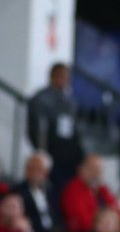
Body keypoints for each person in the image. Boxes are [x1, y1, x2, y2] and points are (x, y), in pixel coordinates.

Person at [27, 63, 85, 192]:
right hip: (51, 152)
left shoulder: (70, 101)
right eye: (61, 76)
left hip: (69, 156)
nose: (64, 81)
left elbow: (74, 128)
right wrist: (42, 152)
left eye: (67, 77)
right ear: (53, 76)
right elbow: (35, 129)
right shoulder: (41, 99)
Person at [62, 155, 120, 232]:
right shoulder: (73, 190)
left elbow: (119, 213)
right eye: (92, 169)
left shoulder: (103, 190)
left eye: (99, 170)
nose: (97, 174)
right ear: (81, 170)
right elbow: (83, 223)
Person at [16, 152, 66, 232]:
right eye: (31, 168)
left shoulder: (52, 191)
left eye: (39, 169)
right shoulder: (18, 192)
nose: (34, 172)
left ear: (46, 172)